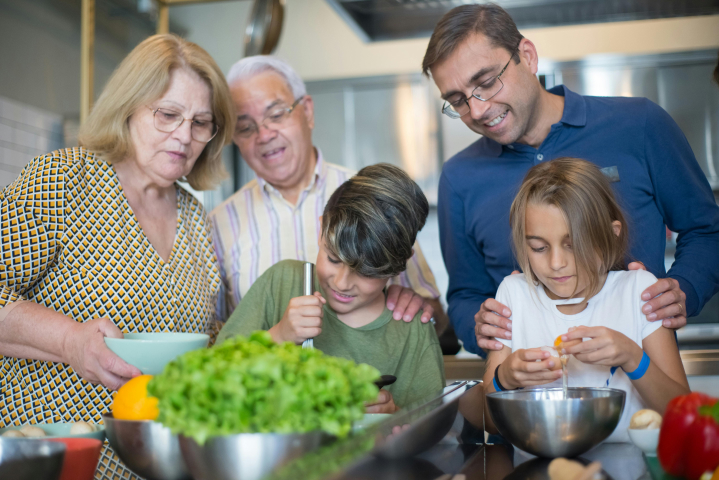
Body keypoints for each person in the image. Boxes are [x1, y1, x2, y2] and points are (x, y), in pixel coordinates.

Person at [422, 4, 719, 355]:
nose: (478, 110)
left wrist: (685, 287)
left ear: (527, 57)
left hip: (645, 383)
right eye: (457, 101)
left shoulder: (640, 124)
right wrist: (481, 327)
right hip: (532, 396)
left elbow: (706, 230)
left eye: (486, 83)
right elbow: (466, 295)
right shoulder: (459, 178)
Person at [0, 34, 233, 479]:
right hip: (56, 463)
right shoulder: (66, 180)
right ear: (129, 106)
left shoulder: (197, 220)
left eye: (201, 123)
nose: (184, 136)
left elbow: (206, 336)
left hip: (162, 466)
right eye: (168, 114)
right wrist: (70, 341)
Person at [209, 56, 459, 353]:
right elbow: (222, 341)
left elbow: (439, 324)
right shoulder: (218, 223)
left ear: (308, 111)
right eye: (245, 127)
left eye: (276, 114)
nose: (264, 135)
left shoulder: (372, 200)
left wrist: (420, 307)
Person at [482, 158, 689, 442]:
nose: (556, 263)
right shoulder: (513, 294)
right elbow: (489, 423)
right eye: (539, 247)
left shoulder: (639, 291)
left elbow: (684, 417)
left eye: (574, 244)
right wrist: (503, 379)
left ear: (612, 236)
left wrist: (632, 357)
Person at [217, 164, 446, 412]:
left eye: (366, 271)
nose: (341, 283)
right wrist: (279, 336)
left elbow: (430, 422)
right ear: (321, 228)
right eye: (333, 259)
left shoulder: (412, 330)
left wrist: (394, 416)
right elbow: (213, 373)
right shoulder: (280, 282)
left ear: (399, 265)